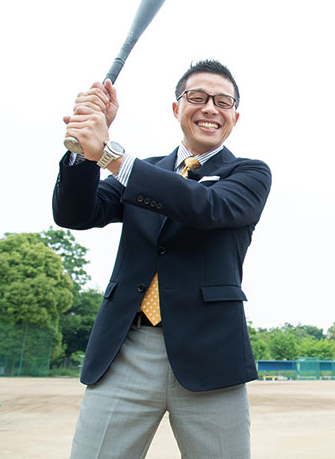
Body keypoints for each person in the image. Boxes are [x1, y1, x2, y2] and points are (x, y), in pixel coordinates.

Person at [53, 59, 272, 458]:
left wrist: (112, 156)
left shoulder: (250, 174)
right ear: (176, 108)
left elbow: (204, 207)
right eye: (198, 97)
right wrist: (83, 148)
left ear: (234, 117)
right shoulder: (143, 171)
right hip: (125, 350)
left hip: (211, 357)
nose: (210, 108)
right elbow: (75, 214)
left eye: (223, 102)